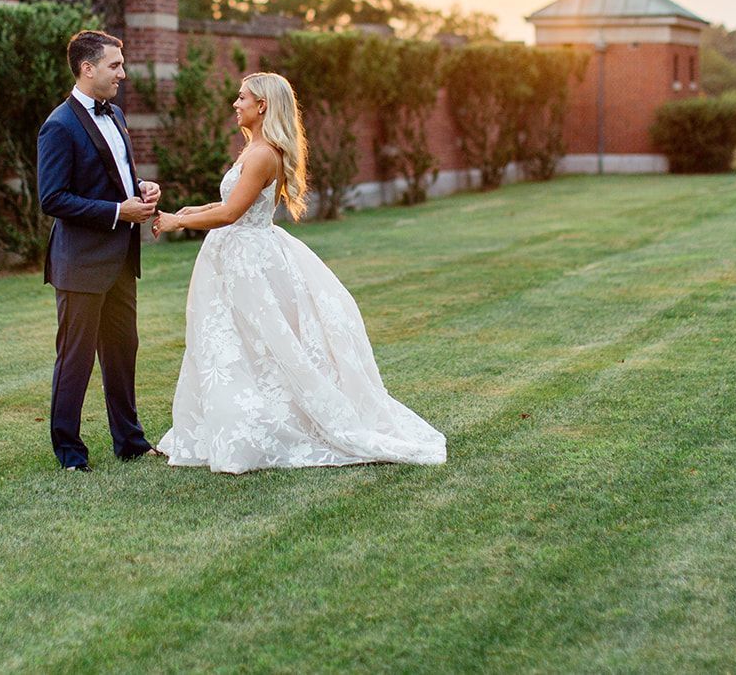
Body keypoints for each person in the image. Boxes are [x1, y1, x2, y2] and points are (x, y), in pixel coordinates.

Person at [151, 71, 446, 474]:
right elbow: (234, 204)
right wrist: (194, 210)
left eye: (242, 97)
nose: (235, 103)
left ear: (262, 106)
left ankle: (262, 427)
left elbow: (233, 213)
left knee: (260, 342)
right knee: (239, 343)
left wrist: (177, 222)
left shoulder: (262, 154)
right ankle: (229, 424)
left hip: (249, 260)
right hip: (238, 256)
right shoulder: (254, 148)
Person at [37, 29, 162, 472]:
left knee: (123, 351)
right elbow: (52, 198)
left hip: (121, 260)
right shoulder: (58, 126)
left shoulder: (117, 114)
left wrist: (141, 187)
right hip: (81, 264)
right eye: (115, 66)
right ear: (87, 69)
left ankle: (130, 441)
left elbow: (114, 174)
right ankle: (70, 453)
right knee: (75, 360)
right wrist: (117, 211)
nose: (122, 74)